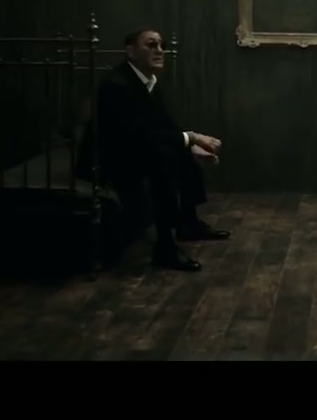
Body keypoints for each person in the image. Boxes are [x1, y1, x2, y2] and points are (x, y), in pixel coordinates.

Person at [82, 28, 229, 272]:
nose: (160, 51)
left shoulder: (147, 80)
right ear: (130, 51)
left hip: (134, 148)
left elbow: (163, 125)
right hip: (106, 157)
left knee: (178, 149)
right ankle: (165, 247)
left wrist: (190, 145)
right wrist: (191, 138)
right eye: (151, 45)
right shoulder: (118, 85)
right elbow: (138, 135)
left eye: (161, 45)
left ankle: (188, 223)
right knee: (162, 157)